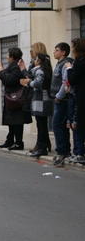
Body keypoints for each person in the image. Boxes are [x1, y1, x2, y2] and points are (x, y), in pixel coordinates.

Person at [0, 47, 32, 151]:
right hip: (11, 98)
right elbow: (6, 80)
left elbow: (10, 80)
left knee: (17, 121)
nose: (6, 57)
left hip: (16, 99)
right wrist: (3, 72)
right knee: (11, 121)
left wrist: (1, 71)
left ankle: (18, 142)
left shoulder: (16, 67)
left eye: (8, 55)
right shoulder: (12, 66)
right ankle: (10, 140)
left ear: (12, 57)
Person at [20, 53, 54, 157]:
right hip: (44, 100)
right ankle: (42, 145)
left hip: (40, 101)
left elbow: (38, 83)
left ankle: (42, 147)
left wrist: (29, 82)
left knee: (41, 125)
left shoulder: (39, 70)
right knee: (42, 124)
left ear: (38, 61)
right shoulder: (46, 70)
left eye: (35, 59)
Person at [51, 42, 73, 166]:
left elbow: (65, 82)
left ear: (63, 52)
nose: (54, 52)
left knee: (57, 125)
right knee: (62, 125)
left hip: (62, 100)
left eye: (57, 50)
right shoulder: (59, 64)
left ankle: (62, 152)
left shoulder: (65, 64)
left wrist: (59, 96)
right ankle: (65, 150)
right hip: (59, 99)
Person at [66, 38, 85, 166]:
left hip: (81, 98)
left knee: (77, 125)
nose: (72, 49)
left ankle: (80, 154)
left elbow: (72, 79)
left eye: (73, 47)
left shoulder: (79, 63)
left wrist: (69, 68)